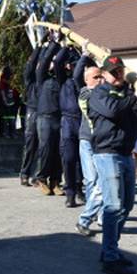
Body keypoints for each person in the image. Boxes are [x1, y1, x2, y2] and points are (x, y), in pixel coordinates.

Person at [88, 56, 137, 274]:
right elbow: (113, 111)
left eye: (120, 71)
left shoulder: (128, 94)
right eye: (113, 72)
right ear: (104, 74)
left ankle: (110, 250)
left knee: (127, 205)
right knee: (113, 206)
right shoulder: (99, 93)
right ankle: (110, 257)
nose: (118, 75)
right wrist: (135, 96)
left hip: (125, 154)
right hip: (107, 154)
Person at [75, 56, 104, 236]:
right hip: (87, 141)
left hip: (101, 142)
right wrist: (85, 55)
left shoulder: (103, 92)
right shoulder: (85, 93)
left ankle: (99, 215)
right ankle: (89, 216)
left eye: (101, 76)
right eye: (96, 77)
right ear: (86, 80)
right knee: (92, 180)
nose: (100, 80)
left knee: (101, 181)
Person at [35, 37, 63, 195]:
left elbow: (59, 62)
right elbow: (45, 61)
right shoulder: (41, 78)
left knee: (58, 151)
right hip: (44, 118)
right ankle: (41, 179)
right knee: (45, 149)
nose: (52, 64)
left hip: (59, 118)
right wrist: (54, 43)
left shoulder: (60, 79)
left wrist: (65, 46)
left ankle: (56, 181)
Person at [54, 45, 82, 207]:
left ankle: (80, 188)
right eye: (72, 65)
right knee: (69, 159)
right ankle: (70, 193)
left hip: (82, 121)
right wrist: (65, 47)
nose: (73, 67)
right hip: (67, 122)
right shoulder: (63, 80)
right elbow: (57, 62)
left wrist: (83, 53)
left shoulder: (83, 81)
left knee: (82, 160)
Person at [19, 44, 42, 185]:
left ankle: (37, 176)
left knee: (43, 146)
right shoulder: (30, 80)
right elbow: (30, 65)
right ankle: (25, 173)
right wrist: (38, 48)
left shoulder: (46, 79)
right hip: (32, 112)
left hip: (45, 113)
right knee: (30, 144)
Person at [0, 66, 18, 138]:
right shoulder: (3, 80)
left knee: (11, 118)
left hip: (12, 101)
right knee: (6, 118)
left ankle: (11, 132)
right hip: (6, 101)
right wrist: (5, 100)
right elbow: (2, 90)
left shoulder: (12, 80)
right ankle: (6, 132)